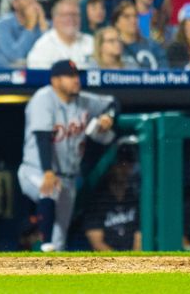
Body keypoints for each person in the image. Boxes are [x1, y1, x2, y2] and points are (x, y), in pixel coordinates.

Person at [18, 59, 116, 251]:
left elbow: (113, 103)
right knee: (49, 190)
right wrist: (47, 171)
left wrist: (108, 117)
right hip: (35, 170)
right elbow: (42, 137)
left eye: (76, 75)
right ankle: (44, 243)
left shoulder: (84, 100)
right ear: (55, 81)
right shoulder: (43, 98)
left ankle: (51, 263)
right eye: (69, 76)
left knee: (60, 236)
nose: (76, 80)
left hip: (68, 178)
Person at [83, 144, 141, 251]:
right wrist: (120, 263)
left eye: (128, 165)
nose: (124, 170)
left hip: (133, 261)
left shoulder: (134, 198)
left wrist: (134, 261)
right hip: (107, 262)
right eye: (120, 165)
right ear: (111, 167)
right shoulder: (98, 201)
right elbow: (97, 243)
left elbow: (140, 236)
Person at [0, 0, 47, 68]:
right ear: (14, 3)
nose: (32, 1)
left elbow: (47, 53)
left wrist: (42, 23)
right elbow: (16, 56)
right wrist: (30, 26)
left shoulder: (41, 22)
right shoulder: (2, 24)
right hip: (3, 77)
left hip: (33, 76)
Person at [26, 0, 94, 69]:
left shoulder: (91, 42)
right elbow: (37, 77)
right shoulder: (42, 46)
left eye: (74, 15)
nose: (71, 19)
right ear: (54, 19)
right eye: (65, 15)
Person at [111, 0, 168, 69]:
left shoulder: (153, 46)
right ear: (116, 23)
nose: (133, 20)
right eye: (127, 16)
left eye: (135, 16)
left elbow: (165, 71)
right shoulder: (111, 48)